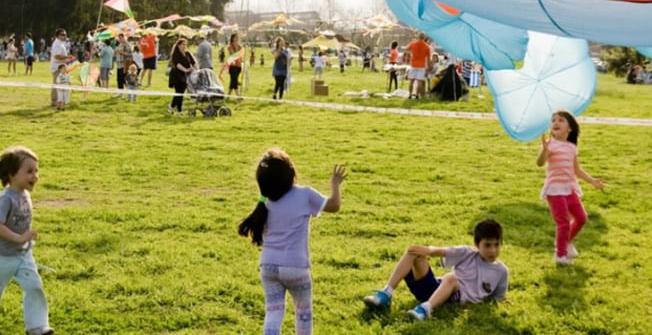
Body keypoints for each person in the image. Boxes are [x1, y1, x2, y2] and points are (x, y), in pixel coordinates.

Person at [238, 148, 347, 335]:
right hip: (296, 267)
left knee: (273, 313)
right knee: (303, 315)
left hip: (268, 266)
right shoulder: (304, 195)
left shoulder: (264, 203)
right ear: (291, 174)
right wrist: (335, 184)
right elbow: (334, 205)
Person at [0, 146, 54, 335]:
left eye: (36, 171)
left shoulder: (25, 194)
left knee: (34, 287)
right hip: (1, 256)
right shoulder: (5, 199)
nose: (35, 176)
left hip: (23, 254)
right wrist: (19, 238)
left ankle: (38, 327)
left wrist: (24, 242)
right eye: (29, 171)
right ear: (11, 174)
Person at [363, 219, 508, 322]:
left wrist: (502, 303)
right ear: (477, 244)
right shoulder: (467, 252)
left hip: (454, 297)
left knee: (451, 278)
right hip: (436, 288)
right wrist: (428, 250)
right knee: (413, 251)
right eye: (487, 245)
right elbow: (444, 251)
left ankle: (425, 310)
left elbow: (498, 298)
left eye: (496, 245)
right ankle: (386, 294)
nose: (492, 250)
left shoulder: (501, 271)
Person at [537, 110, 605, 265]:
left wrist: (592, 180)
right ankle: (560, 255)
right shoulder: (550, 145)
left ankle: (567, 243)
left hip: (569, 189)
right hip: (555, 190)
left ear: (570, 128)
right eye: (553, 120)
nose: (555, 122)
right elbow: (540, 163)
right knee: (563, 223)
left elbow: (577, 170)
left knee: (581, 218)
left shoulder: (572, 148)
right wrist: (544, 151)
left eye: (561, 120)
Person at [167, 38, 196, 115]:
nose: (184, 46)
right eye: (183, 44)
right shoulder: (175, 54)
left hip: (185, 76)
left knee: (180, 93)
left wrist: (196, 70)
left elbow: (193, 62)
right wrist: (186, 70)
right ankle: (179, 111)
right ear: (178, 45)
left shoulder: (187, 53)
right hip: (176, 75)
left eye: (185, 44)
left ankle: (171, 107)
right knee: (179, 92)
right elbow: (178, 65)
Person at [49, 29, 71, 108]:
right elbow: (56, 56)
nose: (64, 36)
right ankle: (54, 102)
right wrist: (67, 57)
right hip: (57, 68)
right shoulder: (57, 44)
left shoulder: (61, 43)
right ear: (58, 36)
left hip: (62, 67)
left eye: (65, 34)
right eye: (63, 34)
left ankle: (61, 101)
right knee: (56, 85)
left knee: (62, 84)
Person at [406, 32, 431, 99]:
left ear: (418, 37)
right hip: (421, 66)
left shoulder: (413, 44)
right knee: (419, 82)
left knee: (411, 81)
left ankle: (410, 94)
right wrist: (428, 67)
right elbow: (428, 58)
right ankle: (417, 95)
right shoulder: (427, 46)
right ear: (424, 38)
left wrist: (411, 53)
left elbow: (407, 48)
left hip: (413, 64)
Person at [114, 33, 133, 97]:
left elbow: (129, 54)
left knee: (124, 79)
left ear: (123, 37)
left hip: (124, 64)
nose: (119, 39)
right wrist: (116, 51)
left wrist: (121, 52)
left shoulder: (127, 44)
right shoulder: (120, 44)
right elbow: (117, 52)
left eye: (120, 38)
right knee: (119, 79)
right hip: (119, 64)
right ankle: (120, 92)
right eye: (118, 38)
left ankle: (130, 91)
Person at [226, 33, 244, 97]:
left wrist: (242, 60)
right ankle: (238, 95)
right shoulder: (230, 46)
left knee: (233, 81)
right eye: (235, 37)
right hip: (232, 66)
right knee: (234, 80)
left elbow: (241, 56)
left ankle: (228, 95)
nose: (237, 38)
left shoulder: (240, 46)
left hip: (238, 66)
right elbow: (233, 55)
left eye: (237, 37)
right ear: (232, 38)